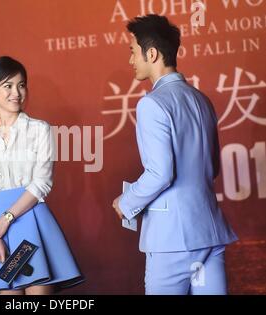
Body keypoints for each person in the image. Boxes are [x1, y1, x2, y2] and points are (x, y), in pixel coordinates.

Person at [112, 15, 238, 295]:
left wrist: (127, 201)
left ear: (152, 53)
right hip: (209, 233)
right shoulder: (201, 100)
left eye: (133, 52)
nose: (131, 60)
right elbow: (212, 166)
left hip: (172, 239)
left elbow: (161, 173)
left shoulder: (152, 104)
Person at [0, 56, 83, 295]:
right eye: (7, 86)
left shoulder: (40, 130)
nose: (16, 93)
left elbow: (42, 182)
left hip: (32, 222)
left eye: (21, 85)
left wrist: (5, 220)